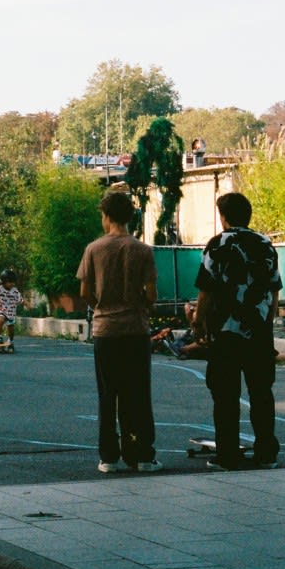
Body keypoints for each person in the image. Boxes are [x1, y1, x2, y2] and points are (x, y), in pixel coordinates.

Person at [193, 191, 282, 471]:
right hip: (258, 330)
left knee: (225, 395)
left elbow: (206, 289)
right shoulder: (265, 244)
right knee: (261, 393)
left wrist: (199, 321)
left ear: (224, 217)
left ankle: (228, 453)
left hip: (226, 332)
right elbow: (274, 290)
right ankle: (266, 451)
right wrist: (267, 323)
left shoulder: (218, 244)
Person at [77, 191, 162, 474]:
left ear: (107, 216)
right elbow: (151, 293)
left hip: (106, 330)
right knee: (138, 395)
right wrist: (140, 304)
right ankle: (141, 454)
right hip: (136, 330)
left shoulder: (93, 249)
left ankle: (108, 457)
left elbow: (85, 292)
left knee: (108, 395)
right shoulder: (142, 250)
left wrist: (101, 306)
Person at [0, 269, 23, 347]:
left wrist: (28, 304)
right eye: (10, 282)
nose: (12, 284)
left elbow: (21, 299)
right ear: (3, 282)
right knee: (0, 320)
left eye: (13, 282)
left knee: (11, 328)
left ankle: (11, 340)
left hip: (11, 312)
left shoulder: (15, 291)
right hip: (1, 309)